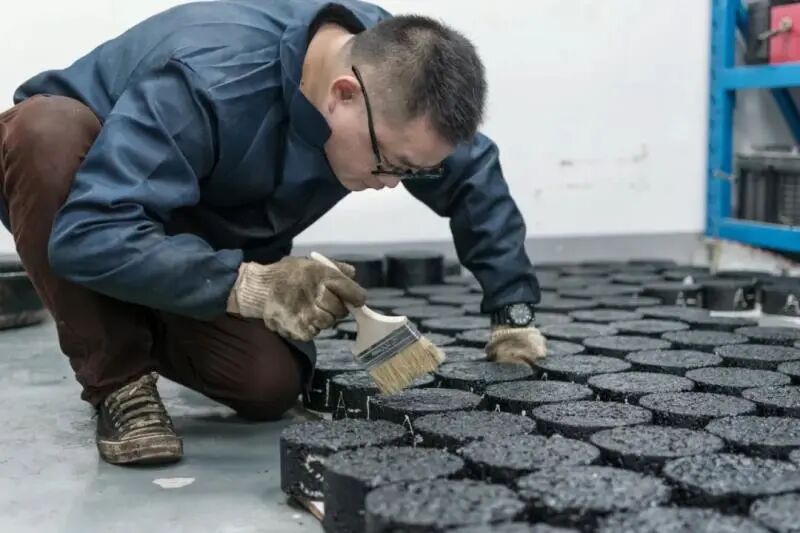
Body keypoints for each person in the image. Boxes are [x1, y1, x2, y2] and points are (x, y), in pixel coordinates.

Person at [0, 0, 545, 466]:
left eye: (411, 172)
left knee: (268, 384)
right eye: (389, 165)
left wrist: (512, 310)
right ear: (342, 94)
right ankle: (118, 379)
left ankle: (133, 305)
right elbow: (89, 235)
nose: (389, 184)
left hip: (195, 238)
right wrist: (248, 286)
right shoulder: (211, 80)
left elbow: (471, 175)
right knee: (44, 132)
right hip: (85, 202)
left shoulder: (400, 75)